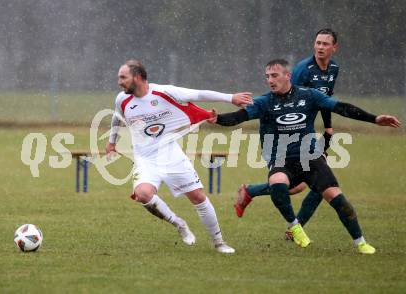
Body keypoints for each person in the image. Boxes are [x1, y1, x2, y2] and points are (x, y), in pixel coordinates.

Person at [211, 59, 400, 254]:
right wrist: (217, 119)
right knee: (277, 183)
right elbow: (238, 117)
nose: (270, 80)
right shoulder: (264, 102)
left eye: (274, 75)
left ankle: (361, 243)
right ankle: (295, 227)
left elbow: (341, 108)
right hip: (281, 159)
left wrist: (374, 119)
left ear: (288, 76)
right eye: (267, 76)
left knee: (338, 200)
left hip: (310, 157)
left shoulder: (309, 96)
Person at [106, 59, 252, 254]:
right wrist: (112, 141)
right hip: (145, 160)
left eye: (123, 77)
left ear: (138, 77)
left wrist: (230, 97)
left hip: (171, 155)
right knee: (143, 195)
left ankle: (219, 242)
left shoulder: (164, 92)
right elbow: (117, 116)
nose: (119, 82)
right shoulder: (121, 99)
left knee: (198, 197)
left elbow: (199, 94)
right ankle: (179, 224)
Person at [235, 28, 339, 238]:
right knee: (306, 185)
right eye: (317, 43)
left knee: (302, 186)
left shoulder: (333, 69)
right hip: (288, 135)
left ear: (334, 48)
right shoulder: (303, 70)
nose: (320, 47)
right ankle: (294, 226)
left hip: (308, 131)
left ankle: (254, 194)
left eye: (325, 44)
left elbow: (326, 100)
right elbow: (287, 100)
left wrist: (328, 127)